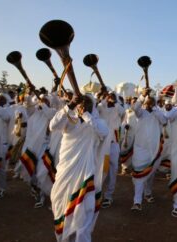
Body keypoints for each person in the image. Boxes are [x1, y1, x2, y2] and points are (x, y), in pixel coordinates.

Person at [50, 94, 108, 242]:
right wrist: (68, 106)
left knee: (84, 212)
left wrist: (87, 115)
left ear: (92, 107)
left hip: (86, 173)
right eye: (82, 102)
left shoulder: (97, 122)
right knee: (59, 204)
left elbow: (103, 133)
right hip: (66, 171)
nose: (84, 105)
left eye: (88, 103)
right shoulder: (69, 120)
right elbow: (53, 126)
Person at [130, 88, 166, 211]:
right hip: (140, 149)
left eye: (151, 103)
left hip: (154, 150)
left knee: (151, 174)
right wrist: (142, 96)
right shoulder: (141, 113)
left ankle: (148, 193)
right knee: (139, 175)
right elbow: (135, 108)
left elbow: (164, 121)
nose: (148, 105)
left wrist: (155, 109)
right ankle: (137, 201)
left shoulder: (158, 113)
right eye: (147, 103)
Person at [97, 91, 125, 208]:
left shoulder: (118, 109)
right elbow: (97, 107)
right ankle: (97, 194)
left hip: (113, 144)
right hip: (101, 145)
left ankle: (108, 196)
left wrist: (115, 101)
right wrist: (104, 98)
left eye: (113, 96)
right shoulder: (101, 108)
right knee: (101, 169)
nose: (110, 98)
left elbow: (123, 114)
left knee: (112, 170)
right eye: (109, 96)